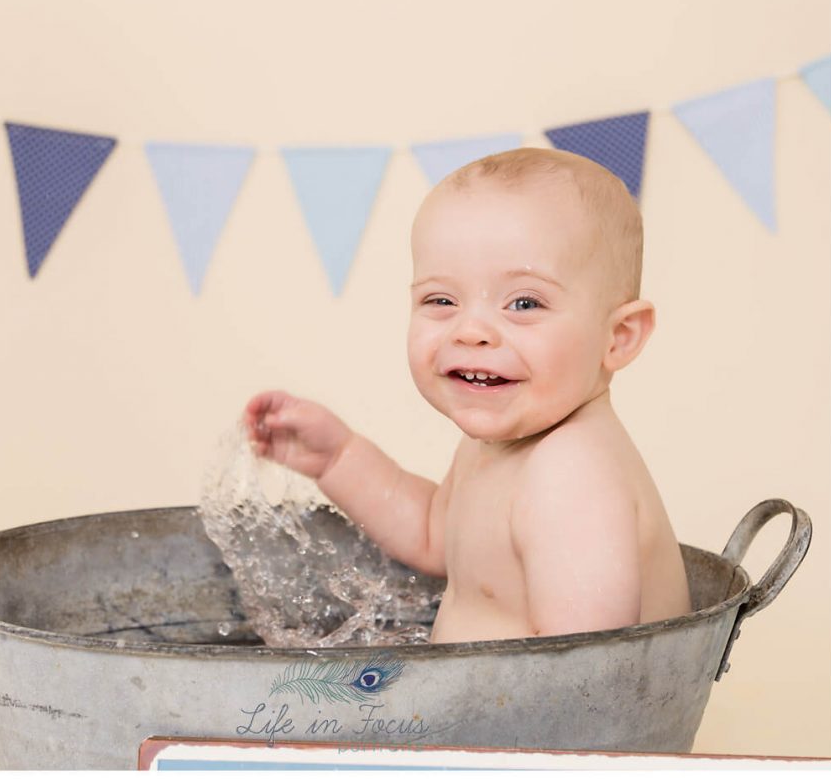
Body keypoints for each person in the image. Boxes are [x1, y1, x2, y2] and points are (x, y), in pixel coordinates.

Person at [244, 147, 691, 644]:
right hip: (481, 695)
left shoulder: (571, 472)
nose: (471, 330)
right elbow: (433, 535)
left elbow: (587, 667)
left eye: (524, 303)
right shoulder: (499, 446)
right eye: (441, 300)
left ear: (619, 337)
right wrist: (339, 458)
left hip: (555, 699)